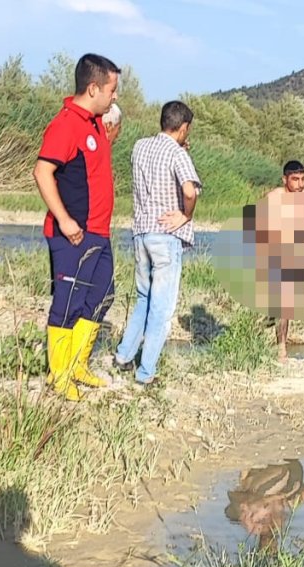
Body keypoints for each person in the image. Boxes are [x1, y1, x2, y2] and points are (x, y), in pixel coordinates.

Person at [33, 53, 122, 402]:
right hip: (74, 232)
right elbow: (43, 172)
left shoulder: (96, 123)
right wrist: (65, 220)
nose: (115, 97)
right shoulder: (66, 124)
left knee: (101, 296)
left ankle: (78, 364)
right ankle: (59, 376)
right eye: (112, 90)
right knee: (68, 303)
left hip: (100, 231)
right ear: (93, 87)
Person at [112, 101, 201, 386]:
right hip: (165, 235)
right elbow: (189, 190)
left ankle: (123, 356)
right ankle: (146, 371)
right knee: (162, 307)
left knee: (143, 298)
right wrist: (185, 216)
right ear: (184, 127)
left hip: (141, 232)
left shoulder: (140, 146)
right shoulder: (177, 153)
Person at [224, 460, 304, 551]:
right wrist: (283, 497)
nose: (271, 543)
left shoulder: (253, 527)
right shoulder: (277, 525)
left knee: (283, 476)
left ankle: (248, 468)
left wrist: (279, 496)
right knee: (294, 501)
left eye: (268, 545)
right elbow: (285, 504)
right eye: (273, 545)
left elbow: (253, 502)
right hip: (276, 486)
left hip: (259, 490)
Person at [268, 160, 304, 360]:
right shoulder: (275, 197)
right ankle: (281, 349)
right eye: (295, 179)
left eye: (302, 179)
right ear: (285, 179)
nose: (299, 184)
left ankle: (279, 343)